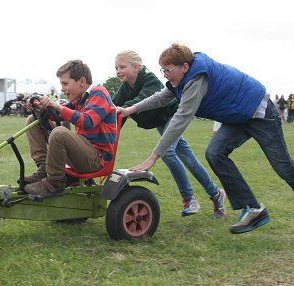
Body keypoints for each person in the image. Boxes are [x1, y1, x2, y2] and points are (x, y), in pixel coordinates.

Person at [117, 43, 294, 234]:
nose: (165, 75)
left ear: (184, 67)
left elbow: (181, 118)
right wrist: (129, 110)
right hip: (238, 117)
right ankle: (253, 209)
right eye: (163, 70)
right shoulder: (182, 80)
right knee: (215, 153)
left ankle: (239, 204)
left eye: (168, 70)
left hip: (260, 113)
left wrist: (153, 157)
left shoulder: (196, 79)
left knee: (283, 168)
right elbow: (160, 97)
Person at [113, 50, 226, 218]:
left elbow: (143, 100)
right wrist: (110, 130)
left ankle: (189, 198)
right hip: (159, 122)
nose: (118, 71)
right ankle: (216, 194)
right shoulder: (125, 87)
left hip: (171, 116)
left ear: (136, 67)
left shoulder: (149, 79)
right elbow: (115, 108)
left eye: (122, 66)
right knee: (188, 157)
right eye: (116, 68)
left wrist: (125, 110)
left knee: (167, 152)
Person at [23, 59, 117, 197]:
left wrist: (57, 106)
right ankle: (43, 169)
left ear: (81, 81)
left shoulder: (99, 93)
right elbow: (57, 115)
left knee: (59, 132)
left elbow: (88, 122)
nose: (62, 89)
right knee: (34, 120)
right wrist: (41, 107)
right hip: (82, 153)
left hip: (96, 159)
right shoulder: (80, 98)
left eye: (65, 84)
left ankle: (55, 183)